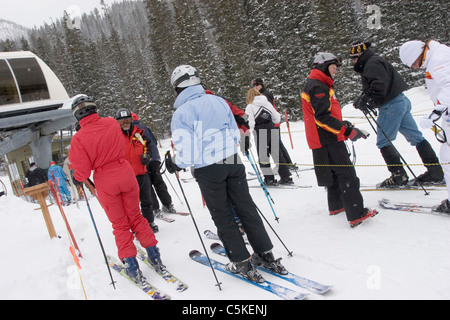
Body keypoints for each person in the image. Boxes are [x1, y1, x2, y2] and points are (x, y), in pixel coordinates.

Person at [166, 64, 287, 282]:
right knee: (246, 208)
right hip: (232, 161)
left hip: (208, 168)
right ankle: (265, 252)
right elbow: (234, 131)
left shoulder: (182, 112)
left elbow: (188, 151)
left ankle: (241, 261)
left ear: (178, 88)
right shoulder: (218, 101)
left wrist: (175, 163)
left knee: (223, 215)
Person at [68, 94, 163, 285]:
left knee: (120, 224)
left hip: (105, 178)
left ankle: (132, 266)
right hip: (125, 172)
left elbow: (83, 170)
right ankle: (154, 255)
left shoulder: (79, 138)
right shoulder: (111, 123)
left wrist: (77, 178)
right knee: (136, 217)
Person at [350, 41, 444, 188]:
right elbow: (381, 82)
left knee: (383, 141)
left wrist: (365, 98)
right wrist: (363, 97)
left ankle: (398, 175)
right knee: (416, 137)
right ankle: (436, 172)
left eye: (353, 58)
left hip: (390, 105)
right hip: (400, 101)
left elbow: (379, 85)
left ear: (359, 56)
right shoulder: (375, 60)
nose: (353, 62)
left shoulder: (371, 63)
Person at [301, 52, 378, 228]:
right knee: (347, 174)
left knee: (334, 175)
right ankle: (356, 213)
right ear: (323, 66)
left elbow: (323, 116)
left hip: (322, 139)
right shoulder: (318, 87)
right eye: (334, 67)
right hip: (328, 138)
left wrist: (342, 124)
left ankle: (337, 206)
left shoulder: (318, 84)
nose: (336, 71)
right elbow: (322, 118)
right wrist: (346, 130)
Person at [399, 39, 450, 213]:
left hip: (446, 112)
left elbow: (449, 86)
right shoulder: (437, 56)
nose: (414, 67)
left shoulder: (438, 59)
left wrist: (437, 112)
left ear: (417, 55)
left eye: (413, 63)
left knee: (448, 158)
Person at [115, 108, 158, 233]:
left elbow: (148, 146)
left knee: (146, 200)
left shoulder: (140, 133)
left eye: (127, 120)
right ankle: (134, 226)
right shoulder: (115, 136)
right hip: (125, 177)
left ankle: (149, 222)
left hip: (141, 172)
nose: (125, 123)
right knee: (130, 205)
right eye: (122, 121)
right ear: (117, 122)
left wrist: (147, 155)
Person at [131, 113, 177, 217]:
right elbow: (154, 142)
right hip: (155, 158)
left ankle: (155, 209)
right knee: (158, 182)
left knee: (147, 186)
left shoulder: (132, 131)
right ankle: (168, 204)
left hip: (143, 161)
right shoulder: (145, 127)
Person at [245, 87, 293, 185]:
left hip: (260, 131)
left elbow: (250, 123)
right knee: (277, 155)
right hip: (272, 128)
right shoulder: (267, 103)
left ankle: (269, 179)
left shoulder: (250, 106)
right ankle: (286, 177)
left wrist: (247, 134)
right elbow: (277, 118)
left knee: (263, 157)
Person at [252, 78, 296, 170]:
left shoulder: (265, 95)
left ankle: (286, 165)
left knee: (277, 146)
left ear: (261, 85)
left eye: (257, 85)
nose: (255, 87)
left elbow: (267, 109)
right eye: (254, 85)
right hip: (271, 123)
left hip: (271, 123)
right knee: (278, 145)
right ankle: (287, 164)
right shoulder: (261, 94)